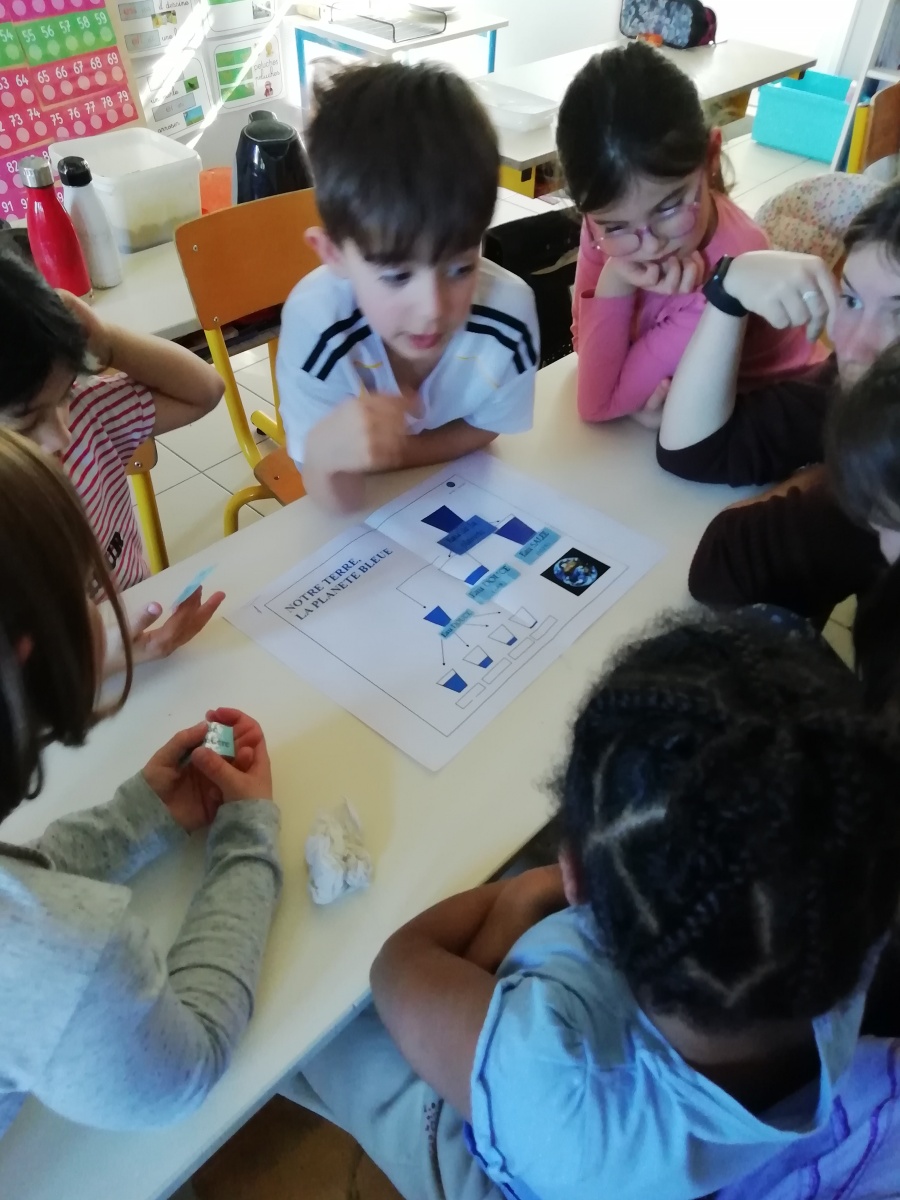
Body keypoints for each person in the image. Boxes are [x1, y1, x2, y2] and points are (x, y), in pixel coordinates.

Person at [283, 612, 900, 1199]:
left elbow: (396, 966)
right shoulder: (840, 936)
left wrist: (522, 896)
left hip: (527, 1160)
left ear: (572, 877)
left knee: (313, 1017)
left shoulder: (558, 1087)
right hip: (635, 1142)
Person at [0, 428, 281, 1135]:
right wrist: (248, 837)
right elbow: (187, 1066)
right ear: (31, 652)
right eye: (89, 592)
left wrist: (135, 818)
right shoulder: (70, 959)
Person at [276, 61, 539, 511]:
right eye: (397, 276)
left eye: (460, 267)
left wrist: (394, 455)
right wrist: (324, 455)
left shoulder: (509, 317)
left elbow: (487, 429)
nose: (432, 309)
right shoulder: (316, 325)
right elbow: (336, 502)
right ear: (333, 254)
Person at [655, 182, 900, 625]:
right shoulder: (857, 384)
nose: (853, 345)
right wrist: (729, 292)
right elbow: (694, 451)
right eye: (851, 299)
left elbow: (726, 565)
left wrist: (835, 474)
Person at [557, 41, 824, 429]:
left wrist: (629, 393)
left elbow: (596, 403)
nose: (650, 245)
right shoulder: (605, 217)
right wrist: (616, 277)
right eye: (615, 227)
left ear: (710, 158)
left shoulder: (729, 269)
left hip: (776, 407)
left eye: (668, 208)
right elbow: (585, 348)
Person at [0, 247, 226, 668]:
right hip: (75, 684)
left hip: (136, 626)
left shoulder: (87, 415)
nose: (61, 434)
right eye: (28, 421)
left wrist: (106, 341)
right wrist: (114, 661)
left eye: (64, 394)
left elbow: (205, 390)